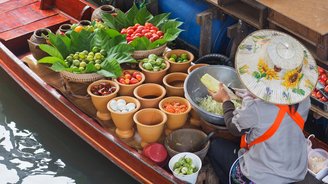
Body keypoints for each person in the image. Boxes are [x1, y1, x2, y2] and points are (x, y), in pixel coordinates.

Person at [208, 30, 319, 184]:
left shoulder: (257, 109)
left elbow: (233, 127)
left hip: (263, 177)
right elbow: (278, 109)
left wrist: (225, 99)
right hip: (295, 170)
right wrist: (249, 95)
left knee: (215, 147)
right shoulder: (304, 100)